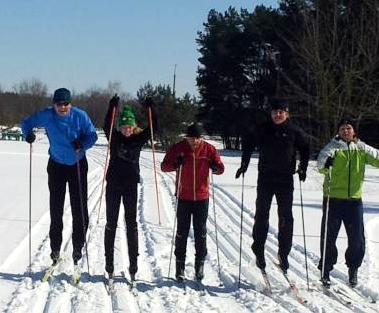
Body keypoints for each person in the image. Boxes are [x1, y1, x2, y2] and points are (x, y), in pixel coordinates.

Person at [316, 117, 379, 287]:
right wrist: (327, 163)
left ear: (354, 131)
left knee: (357, 239)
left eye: (348, 128)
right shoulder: (332, 148)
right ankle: (325, 270)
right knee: (328, 237)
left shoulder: (361, 149)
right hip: (332, 199)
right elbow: (321, 165)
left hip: (354, 201)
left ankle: (353, 269)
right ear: (338, 132)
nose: (346, 131)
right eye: (342, 129)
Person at [21, 87, 98, 267]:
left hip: (77, 164)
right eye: (59, 104)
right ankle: (55, 249)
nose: (62, 107)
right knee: (56, 209)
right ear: (53, 104)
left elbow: (92, 135)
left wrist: (83, 143)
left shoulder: (80, 116)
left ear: (71, 104)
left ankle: (78, 246)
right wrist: (28, 134)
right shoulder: (47, 115)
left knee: (79, 208)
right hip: (56, 165)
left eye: (66, 104)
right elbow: (26, 122)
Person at [235, 99, 310, 273]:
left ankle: (284, 253)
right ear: (271, 114)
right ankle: (258, 248)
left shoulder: (293, 131)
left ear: (287, 114)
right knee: (262, 214)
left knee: (286, 217)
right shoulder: (262, 128)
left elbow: (305, 148)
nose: (278, 115)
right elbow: (248, 144)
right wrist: (244, 164)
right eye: (275, 112)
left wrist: (303, 168)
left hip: (285, 179)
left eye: (281, 112)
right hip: (266, 178)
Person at [161, 123, 225, 282]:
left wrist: (215, 167)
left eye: (197, 138)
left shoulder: (209, 149)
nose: (194, 141)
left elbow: (221, 168)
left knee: (200, 232)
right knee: (182, 232)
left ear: (201, 137)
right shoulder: (178, 148)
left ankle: (199, 266)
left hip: (202, 197)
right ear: (187, 137)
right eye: (191, 138)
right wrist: (175, 164)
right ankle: (180, 266)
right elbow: (164, 166)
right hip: (183, 196)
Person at [102, 95, 156, 280]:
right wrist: (112, 108)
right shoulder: (114, 137)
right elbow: (106, 125)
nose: (126, 130)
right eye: (124, 126)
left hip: (131, 185)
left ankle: (133, 264)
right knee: (111, 223)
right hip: (113, 185)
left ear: (133, 127)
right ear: (120, 127)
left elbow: (153, 129)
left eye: (129, 127)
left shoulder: (137, 139)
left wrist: (151, 108)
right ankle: (109, 262)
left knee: (131, 224)